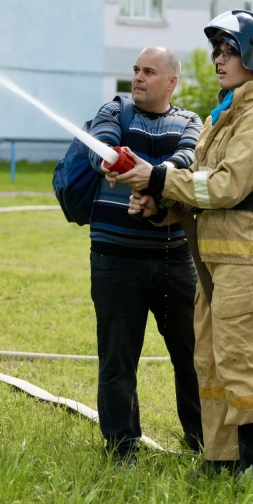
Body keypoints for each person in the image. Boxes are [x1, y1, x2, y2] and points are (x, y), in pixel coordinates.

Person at [119, 10, 253, 475]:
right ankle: (222, 459)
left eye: (229, 51)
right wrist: (161, 206)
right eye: (217, 50)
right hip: (213, 256)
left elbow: (226, 187)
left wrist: (159, 177)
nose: (218, 58)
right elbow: (200, 186)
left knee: (243, 363)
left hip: (242, 258)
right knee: (212, 364)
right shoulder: (226, 114)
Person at [86, 46, 204, 461]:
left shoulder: (190, 120)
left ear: (171, 81)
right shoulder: (114, 112)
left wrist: (152, 187)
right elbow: (100, 147)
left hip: (175, 260)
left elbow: (188, 159)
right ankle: (121, 446)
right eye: (135, 70)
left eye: (149, 71)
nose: (137, 78)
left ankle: (202, 441)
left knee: (191, 356)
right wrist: (119, 163)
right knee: (117, 357)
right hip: (114, 259)